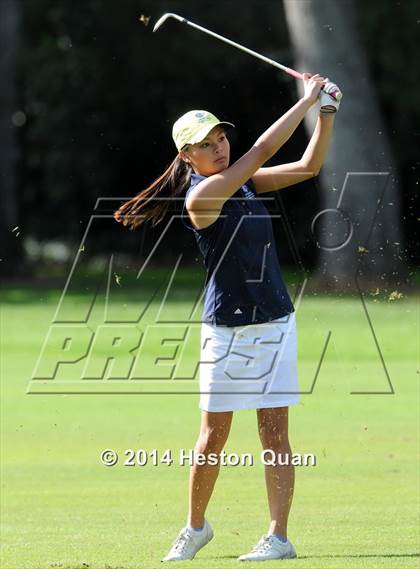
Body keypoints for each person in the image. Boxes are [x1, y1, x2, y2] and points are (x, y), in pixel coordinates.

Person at [114, 73, 341, 562]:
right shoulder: (201, 198)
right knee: (212, 437)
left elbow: (308, 165)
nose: (219, 148)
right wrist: (305, 101)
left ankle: (278, 537)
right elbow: (259, 151)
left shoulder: (243, 182)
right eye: (205, 145)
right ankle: (196, 528)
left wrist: (325, 115)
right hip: (226, 329)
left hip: (275, 321)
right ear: (186, 158)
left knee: (275, 433)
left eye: (220, 138)